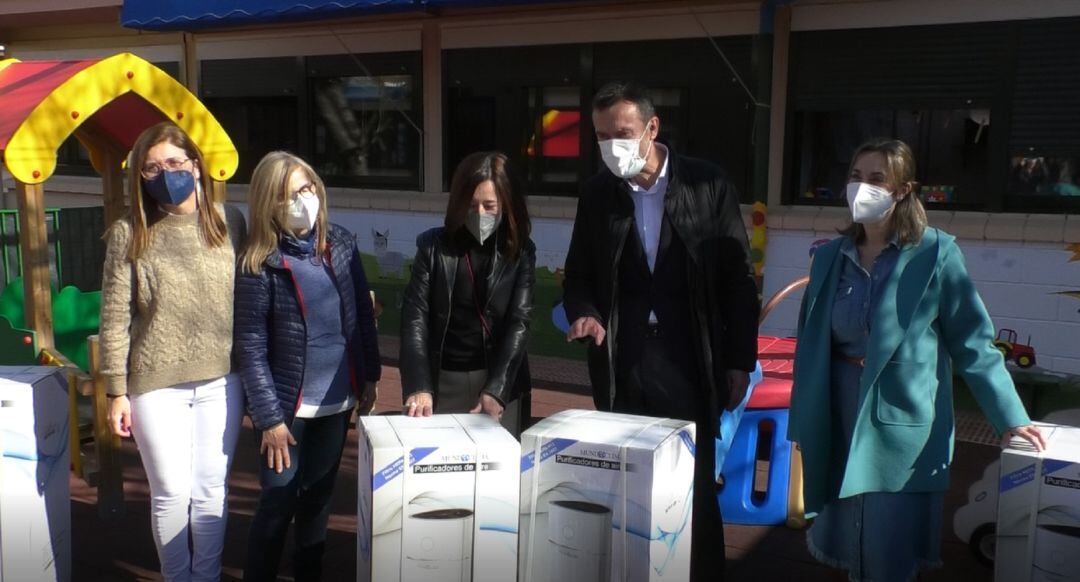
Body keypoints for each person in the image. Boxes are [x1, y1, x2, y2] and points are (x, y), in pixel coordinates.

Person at [789, 138, 1047, 582]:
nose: (862, 188)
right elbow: (810, 344)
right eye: (856, 176)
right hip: (838, 412)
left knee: (888, 541)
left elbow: (974, 342)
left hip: (900, 420)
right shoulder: (830, 257)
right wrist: (803, 418)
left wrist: (1010, 417)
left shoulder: (936, 253)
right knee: (842, 530)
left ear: (904, 190)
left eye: (877, 179)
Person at [562, 82, 760, 581]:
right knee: (628, 483)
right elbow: (579, 274)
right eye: (601, 136)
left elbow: (737, 281)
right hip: (623, 358)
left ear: (652, 128)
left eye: (622, 133)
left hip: (690, 358)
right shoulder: (597, 194)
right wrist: (586, 312)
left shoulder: (707, 184)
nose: (612, 146)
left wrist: (740, 360)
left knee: (692, 483)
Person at [101, 122, 246, 582]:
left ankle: (207, 576)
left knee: (210, 491)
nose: (165, 174)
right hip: (155, 384)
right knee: (170, 492)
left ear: (196, 166)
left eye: (174, 163)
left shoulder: (230, 221)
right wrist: (115, 391)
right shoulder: (129, 233)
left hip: (222, 379)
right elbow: (115, 316)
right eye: (151, 168)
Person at [233, 151, 380, 582]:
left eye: (307, 187)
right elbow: (250, 345)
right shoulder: (259, 263)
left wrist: (370, 375)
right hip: (285, 411)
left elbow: (361, 315)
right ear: (269, 203)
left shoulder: (341, 244)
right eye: (288, 195)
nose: (303, 200)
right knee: (278, 502)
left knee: (318, 500)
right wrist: (269, 419)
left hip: (336, 402)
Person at [400, 151, 535, 435]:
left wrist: (497, 389)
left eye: (490, 206)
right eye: (471, 205)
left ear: (507, 204)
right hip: (443, 379)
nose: (480, 214)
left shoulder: (520, 250)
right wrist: (419, 386)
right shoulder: (433, 247)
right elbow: (415, 319)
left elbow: (519, 321)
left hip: (497, 380)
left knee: (500, 459)